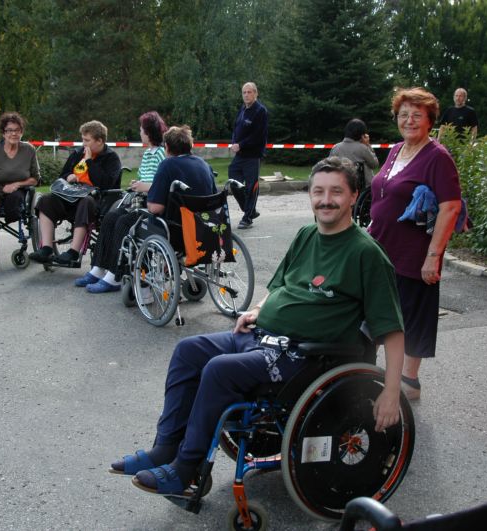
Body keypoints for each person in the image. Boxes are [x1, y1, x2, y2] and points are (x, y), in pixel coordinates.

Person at [112, 157, 405, 498]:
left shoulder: (366, 254)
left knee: (219, 370)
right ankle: (165, 448)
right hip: (262, 337)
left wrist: (391, 392)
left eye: (336, 192)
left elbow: (392, 329)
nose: (326, 200)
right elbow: (280, 286)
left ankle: (186, 469)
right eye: (319, 191)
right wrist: (257, 309)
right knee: (188, 351)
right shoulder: (307, 235)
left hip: (304, 357)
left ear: (354, 196)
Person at [368, 87, 462, 401]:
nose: (409, 120)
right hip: (381, 248)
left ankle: (409, 381)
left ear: (429, 120)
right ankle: (367, 371)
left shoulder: (437, 157)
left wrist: (433, 256)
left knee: (412, 316)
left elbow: (451, 207)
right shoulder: (396, 150)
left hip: (414, 253)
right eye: (404, 114)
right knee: (378, 311)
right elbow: (383, 192)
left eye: (416, 115)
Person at [75, 111, 168, 293]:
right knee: (110, 218)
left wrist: (144, 186)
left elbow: (161, 182)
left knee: (122, 223)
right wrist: (137, 184)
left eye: (141, 130)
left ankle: (114, 276)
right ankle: (99, 268)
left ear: (148, 132)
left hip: (150, 201)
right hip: (139, 199)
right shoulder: (147, 154)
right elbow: (144, 178)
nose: (140, 133)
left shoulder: (160, 154)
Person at [29, 120, 122, 265]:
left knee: (86, 202)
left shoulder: (111, 158)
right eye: (83, 139)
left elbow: (105, 183)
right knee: (46, 200)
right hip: (71, 196)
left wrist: (89, 161)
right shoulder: (78, 153)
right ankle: (46, 248)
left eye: (87, 140)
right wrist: (69, 177)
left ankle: (73, 251)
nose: (83, 144)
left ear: (99, 141)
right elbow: (62, 175)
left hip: (96, 200)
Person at [0, 111, 41, 274]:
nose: (14, 133)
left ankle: (12, 216)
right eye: (9, 130)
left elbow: (35, 178)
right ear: (3, 133)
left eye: (17, 130)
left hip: (17, 191)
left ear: (22, 132)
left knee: (15, 203)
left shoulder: (29, 150)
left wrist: (17, 184)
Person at [228, 82, 268, 230]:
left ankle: (247, 218)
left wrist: (241, 144)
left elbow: (258, 135)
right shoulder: (243, 109)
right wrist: (234, 142)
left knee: (251, 187)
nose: (246, 95)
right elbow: (236, 128)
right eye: (244, 92)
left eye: (249, 92)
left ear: (255, 94)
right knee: (233, 182)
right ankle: (249, 209)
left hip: (252, 155)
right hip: (239, 155)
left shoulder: (260, 111)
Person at [329, 118, 380, 188]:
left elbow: (330, 168)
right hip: (363, 189)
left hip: (341, 186)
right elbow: (374, 164)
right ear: (362, 135)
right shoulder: (363, 148)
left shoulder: (335, 148)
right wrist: (368, 145)